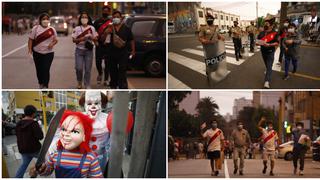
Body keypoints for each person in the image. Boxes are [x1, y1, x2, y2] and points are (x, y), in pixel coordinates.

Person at [29, 111, 103, 178]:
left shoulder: (90, 158)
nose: (66, 134)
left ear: (84, 137)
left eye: (74, 131)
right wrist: (40, 169)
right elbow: (47, 171)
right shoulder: (55, 154)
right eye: (64, 129)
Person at [28, 13, 58, 89]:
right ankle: (41, 83)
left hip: (49, 53)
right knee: (39, 70)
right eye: (43, 19)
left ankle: (45, 85)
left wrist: (52, 44)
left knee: (46, 69)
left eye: (47, 19)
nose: (45, 20)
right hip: (37, 53)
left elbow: (56, 40)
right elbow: (30, 40)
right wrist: (29, 50)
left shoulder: (52, 29)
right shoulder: (36, 28)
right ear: (40, 20)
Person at [108, 11, 135, 89]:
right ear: (112, 18)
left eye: (118, 17)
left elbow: (131, 39)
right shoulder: (110, 27)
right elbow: (103, 40)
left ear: (121, 18)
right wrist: (106, 33)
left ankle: (122, 86)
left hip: (123, 52)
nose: (116, 18)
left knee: (122, 70)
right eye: (114, 17)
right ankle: (113, 85)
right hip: (111, 53)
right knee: (113, 71)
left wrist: (133, 51)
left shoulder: (126, 28)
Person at [15, 105, 44, 178]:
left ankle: (17, 177)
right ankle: (35, 173)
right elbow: (40, 137)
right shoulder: (33, 124)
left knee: (23, 165)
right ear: (33, 113)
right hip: (35, 150)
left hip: (23, 150)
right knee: (46, 161)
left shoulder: (18, 124)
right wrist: (39, 129)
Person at [72, 12, 98, 89]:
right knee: (79, 68)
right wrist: (83, 38)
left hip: (88, 51)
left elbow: (96, 38)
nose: (84, 19)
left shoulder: (92, 28)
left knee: (88, 69)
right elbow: (74, 40)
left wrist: (91, 37)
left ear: (88, 19)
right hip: (79, 50)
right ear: (80, 19)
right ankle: (79, 81)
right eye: (83, 17)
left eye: (86, 17)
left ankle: (87, 84)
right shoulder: (76, 28)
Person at [256, 14, 279, 89]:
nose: (265, 25)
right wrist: (258, 43)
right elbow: (257, 41)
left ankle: (267, 81)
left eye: (267, 24)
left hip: (270, 52)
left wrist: (269, 45)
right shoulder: (262, 33)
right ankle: (268, 72)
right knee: (267, 65)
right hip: (263, 52)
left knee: (269, 67)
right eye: (265, 23)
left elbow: (277, 43)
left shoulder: (275, 33)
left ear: (271, 25)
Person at [93, 5, 112, 86]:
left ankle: (106, 79)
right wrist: (95, 42)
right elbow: (93, 33)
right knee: (98, 62)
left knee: (108, 63)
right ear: (102, 11)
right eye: (104, 10)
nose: (105, 12)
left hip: (108, 45)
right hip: (99, 45)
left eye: (107, 11)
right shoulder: (97, 22)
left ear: (109, 12)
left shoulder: (111, 22)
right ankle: (100, 73)